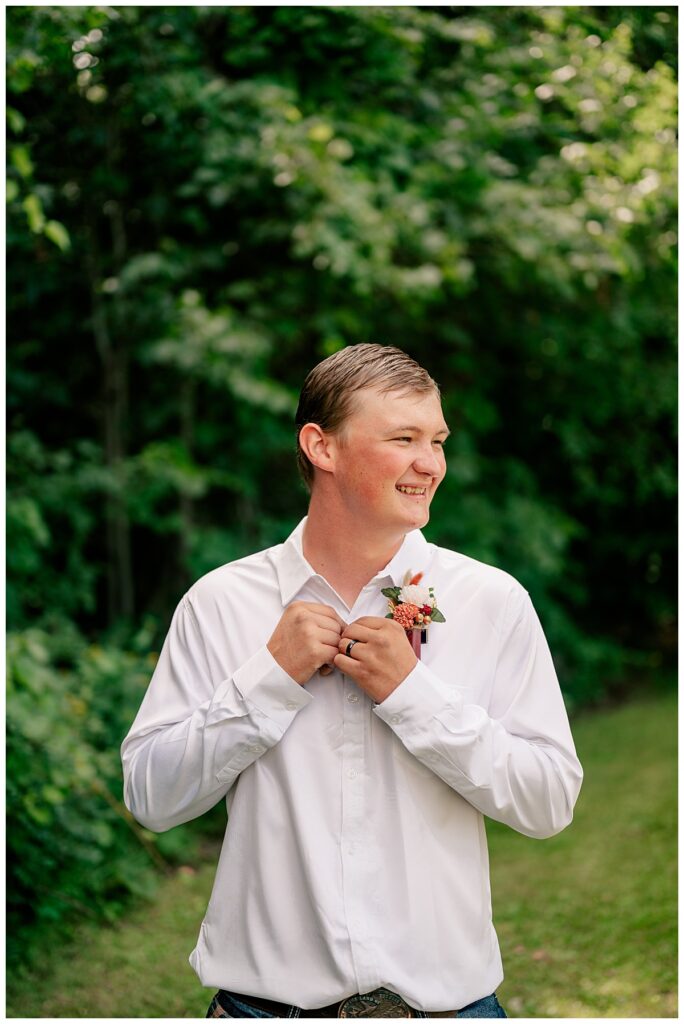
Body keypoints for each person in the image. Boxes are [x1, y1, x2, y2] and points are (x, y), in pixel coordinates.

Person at [121, 343, 583, 1019]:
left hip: (449, 1009)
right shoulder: (223, 604)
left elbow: (548, 803)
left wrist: (413, 697)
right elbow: (150, 797)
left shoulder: (489, 601)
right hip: (261, 1008)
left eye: (437, 440)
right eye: (403, 439)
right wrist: (268, 680)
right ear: (321, 447)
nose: (431, 464)